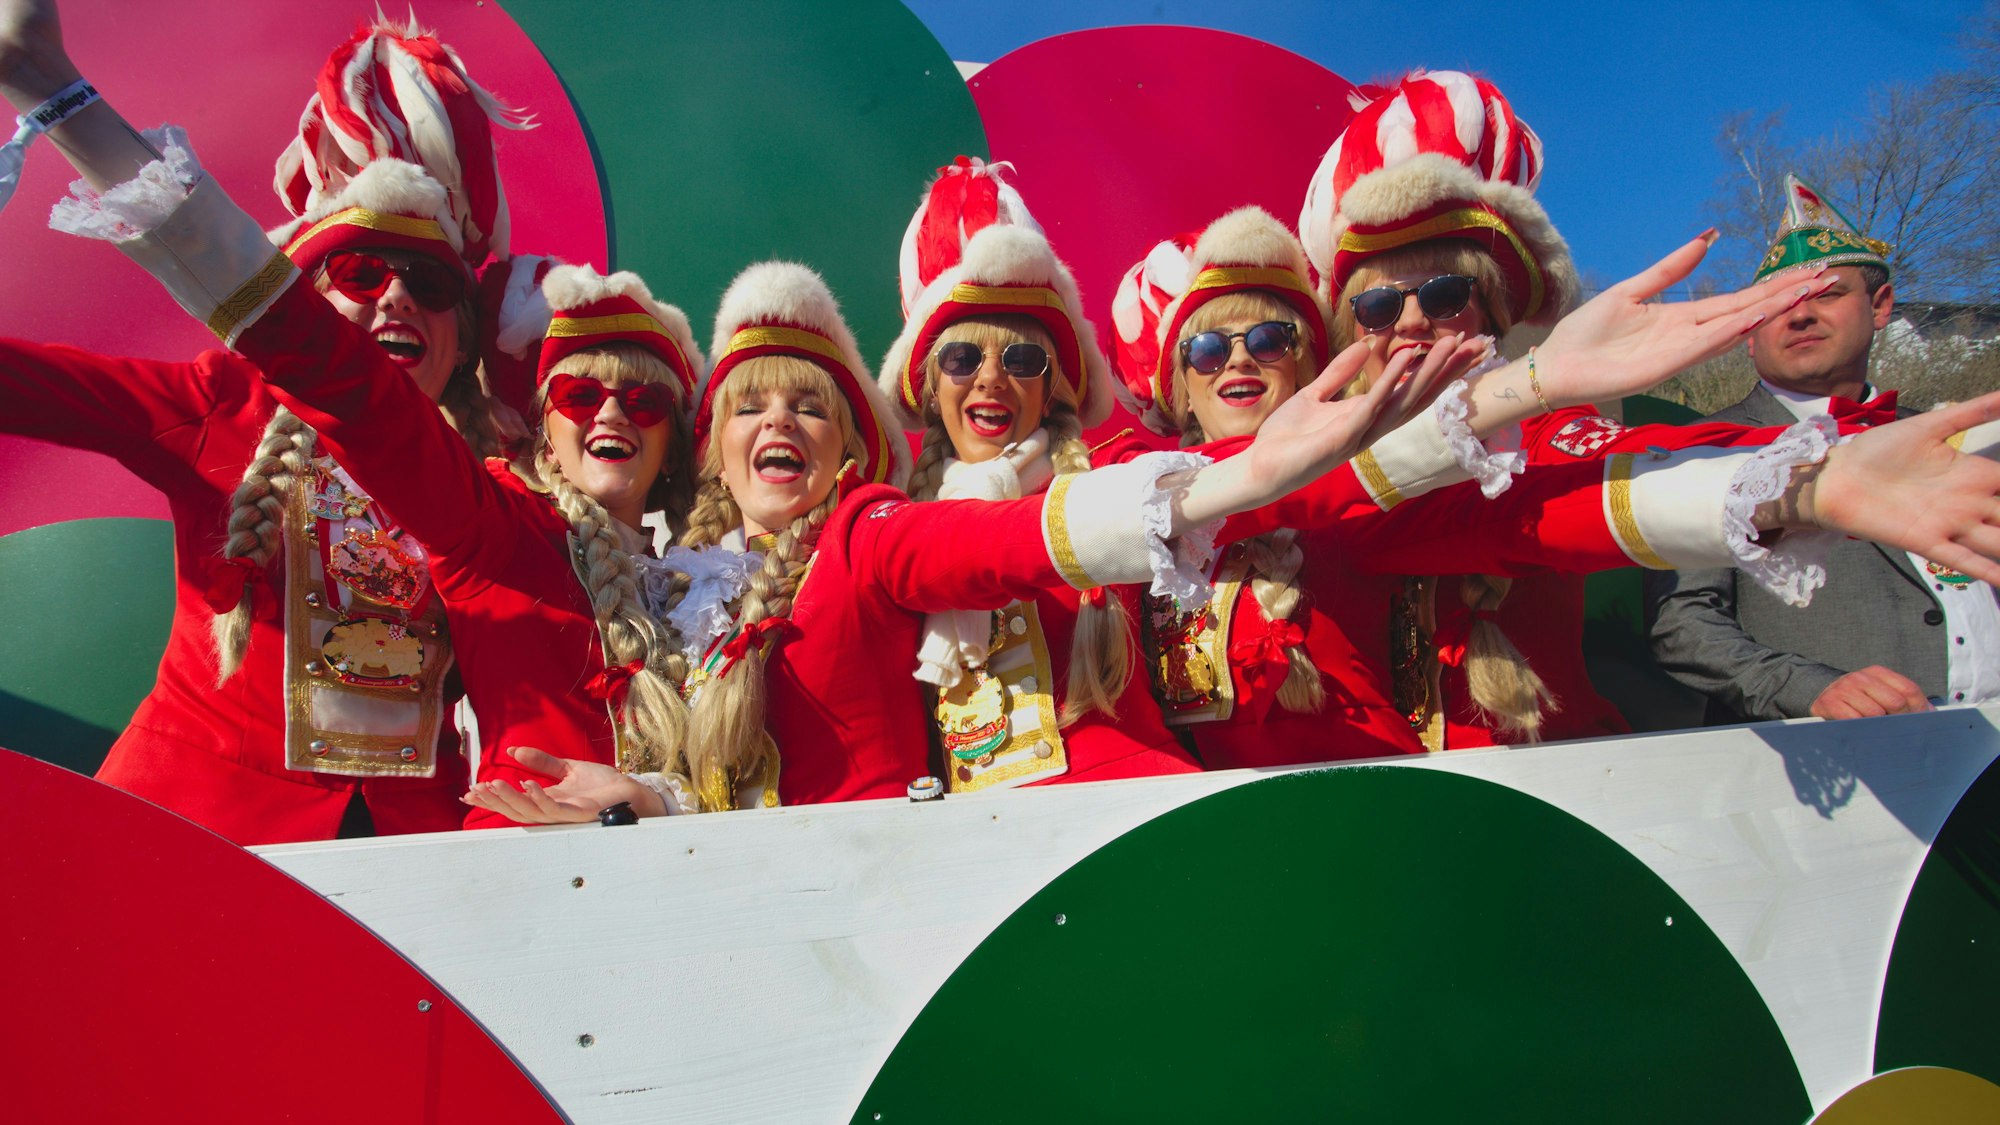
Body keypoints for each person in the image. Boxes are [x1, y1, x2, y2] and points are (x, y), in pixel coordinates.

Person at [0, 146, 494, 842]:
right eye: (360, 272)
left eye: (431, 285)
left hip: (410, 861)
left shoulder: (500, 493)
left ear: (462, 337)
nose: (396, 296)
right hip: (190, 831)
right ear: (307, 310)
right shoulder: (226, 405)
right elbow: (38, 388)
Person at [875, 157, 1201, 791]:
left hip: (1135, 811)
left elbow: (1236, 483)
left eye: (1021, 358)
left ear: (1053, 389)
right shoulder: (895, 526)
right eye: (963, 357)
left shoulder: (1113, 475)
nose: (992, 378)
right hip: (985, 853)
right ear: (931, 384)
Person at [1648, 176, 2000, 721]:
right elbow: (1683, 624)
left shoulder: (1954, 438)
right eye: (1775, 305)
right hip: (1833, 764)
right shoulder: (1700, 452)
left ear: (1880, 305)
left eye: (1826, 293)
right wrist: (1808, 690)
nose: (1801, 314)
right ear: (1748, 331)